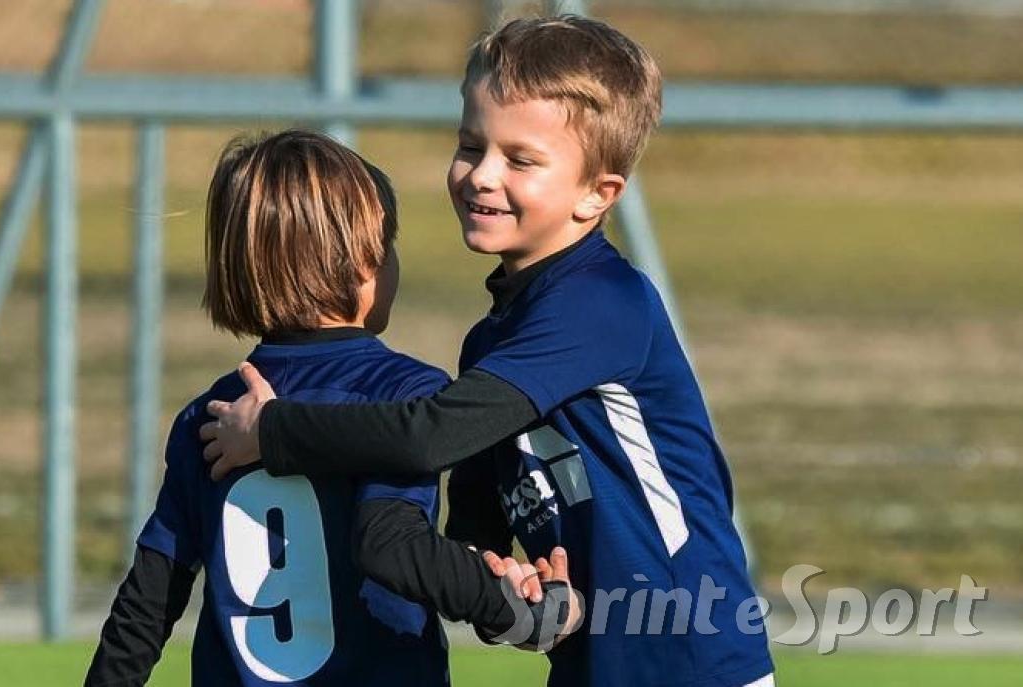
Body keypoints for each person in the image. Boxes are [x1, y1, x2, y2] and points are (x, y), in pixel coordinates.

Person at [201, 16, 775, 687]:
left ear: (598, 193)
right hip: (597, 661)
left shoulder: (600, 302)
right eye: (471, 145)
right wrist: (503, 588)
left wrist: (274, 430)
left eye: (521, 159)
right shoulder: (494, 338)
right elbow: (478, 520)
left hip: (688, 659)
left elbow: (430, 436)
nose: (481, 175)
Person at [84, 130, 575, 687]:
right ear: (366, 261)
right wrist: (516, 609)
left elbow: (150, 597)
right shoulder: (402, 393)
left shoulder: (211, 415)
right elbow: (397, 547)